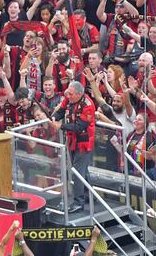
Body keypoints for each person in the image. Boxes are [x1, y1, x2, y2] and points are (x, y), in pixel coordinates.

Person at [50, 80, 96, 213]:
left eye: (71, 94)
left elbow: (79, 126)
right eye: (68, 94)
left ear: (79, 94)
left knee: (77, 172)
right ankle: (89, 195)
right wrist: (54, 118)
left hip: (84, 142)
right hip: (71, 140)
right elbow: (61, 110)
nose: (68, 96)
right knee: (82, 170)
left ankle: (78, 202)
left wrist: (61, 126)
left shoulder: (88, 105)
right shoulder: (69, 97)